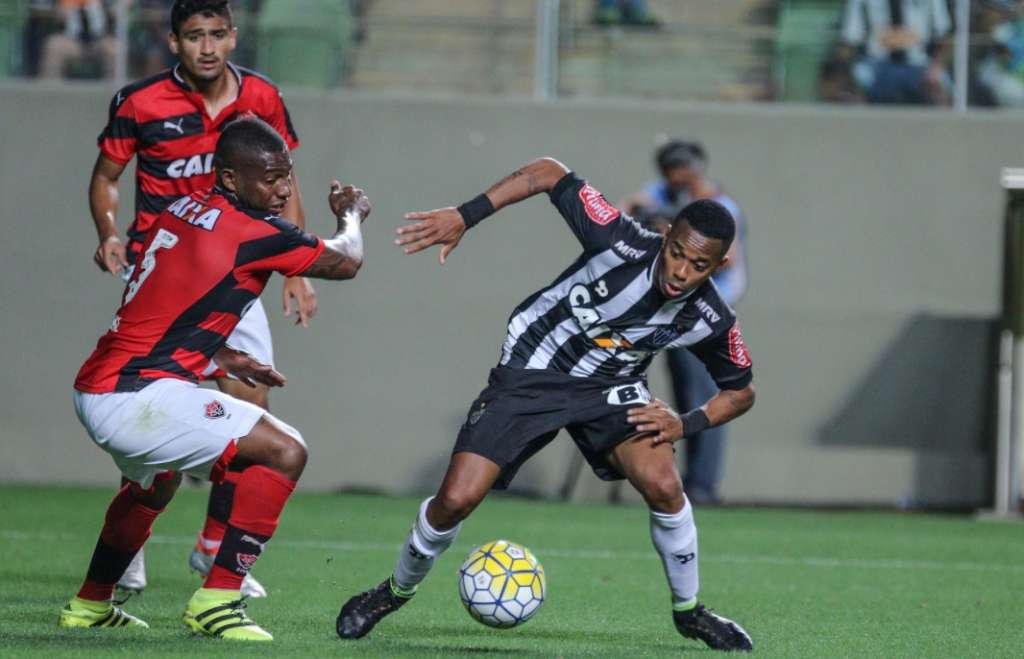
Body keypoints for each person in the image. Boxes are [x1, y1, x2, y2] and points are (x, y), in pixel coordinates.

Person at [336, 157, 757, 652]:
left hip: (612, 388)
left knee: (666, 485)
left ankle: (689, 612)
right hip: (534, 371)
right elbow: (548, 173)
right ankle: (392, 593)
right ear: (665, 236)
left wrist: (683, 424)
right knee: (455, 500)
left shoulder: (710, 316)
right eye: (678, 255)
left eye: (700, 266)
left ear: (720, 265)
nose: (682, 273)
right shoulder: (618, 241)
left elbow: (741, 391)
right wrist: (466, 215)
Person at [59, 116, 369, 640]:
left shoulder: (178, 209)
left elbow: (158, 307)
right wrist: (352, 216)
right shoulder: (256, 231)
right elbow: (347, 261)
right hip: (135, 397)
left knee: (156, 483)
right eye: (269, 178)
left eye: (286, 176)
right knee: (285, 449)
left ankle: (90, 603)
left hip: (101, 385)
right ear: (229, 178)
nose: (282, 189)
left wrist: (219, 357)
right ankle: (218, 596)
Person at [87, 0, 317, 597]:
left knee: (253, 397)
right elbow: (107, 177)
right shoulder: (140, 102)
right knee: (148, 399)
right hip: (166, 267)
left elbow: (286, 178)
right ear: (173, 43)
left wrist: (295, 269)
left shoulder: (262, 97)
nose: (208, 47)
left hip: (238, 266)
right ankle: (132, 551)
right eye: (195, 36)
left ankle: (214, 546)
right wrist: (108, 233)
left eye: (217, 34)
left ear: (234, 37)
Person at [626, 140, 748, 504]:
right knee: (684, 395)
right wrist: (641, 210)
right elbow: (625, 213)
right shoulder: (661, 194)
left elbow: (733, 259)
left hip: (703, 316)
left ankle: (703, 484)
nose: (675, 179)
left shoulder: (721, 209)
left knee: (706, 397)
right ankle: (691, 481)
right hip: (669, 311)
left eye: (681, 170)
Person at [838, 0, 952, 105]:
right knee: (858, 77)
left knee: (941, 83)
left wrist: (936, 66)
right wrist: (846, 74)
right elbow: (849, 39)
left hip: (920, 64)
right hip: (875, 64)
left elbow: (944, 37)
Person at [39, 0, 117, 80]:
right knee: (53, 46)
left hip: (100, 40)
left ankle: (114, 90)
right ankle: (51, 90)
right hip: (71, 40)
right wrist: (60, 12)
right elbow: (50, 12)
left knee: (115, 49)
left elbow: (116, 11)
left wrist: (110, 10)